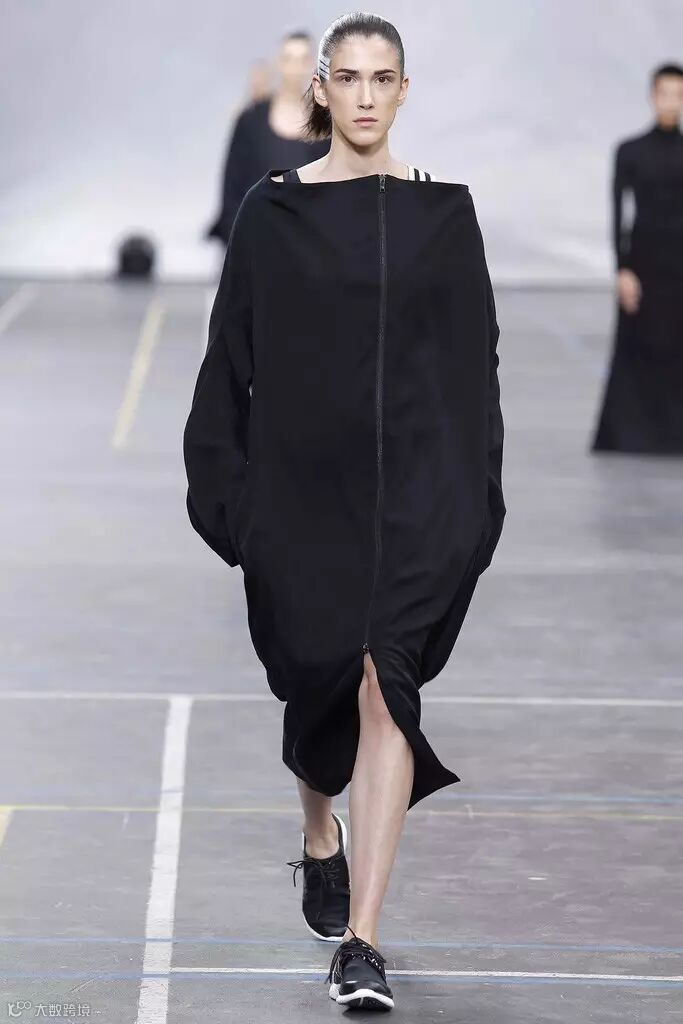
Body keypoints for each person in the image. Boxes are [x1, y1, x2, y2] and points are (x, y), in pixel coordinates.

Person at [183, 11, 505, 1012]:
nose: (365, 95)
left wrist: (475, 496)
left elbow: (475, 364)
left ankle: (361, 941)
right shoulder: (273, 211)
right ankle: (318, 833)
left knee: (382, 688)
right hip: (300, 498)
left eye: (382, 78)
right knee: (317, 679)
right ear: (320, 89)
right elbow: (229, 357)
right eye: (349, 77)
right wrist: (232, 499)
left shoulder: (443, 215)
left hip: (414, 499)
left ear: (403, 90)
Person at [591, 62, 683, 454]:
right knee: (636, 347)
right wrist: (622, 269)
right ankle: (632, 434)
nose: (671, 101)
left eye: (678, 94)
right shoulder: (631, 151)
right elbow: (620, 213)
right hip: (644, 262)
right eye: (665, 93)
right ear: (652, 96)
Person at [205, 30, 330, 245]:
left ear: (311, 64)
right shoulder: (251, 120)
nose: (295, 68)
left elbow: (331, 192)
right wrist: (237, 240)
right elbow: (232, 184)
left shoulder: (325, 125)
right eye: (288, 59)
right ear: (279, 63)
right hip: (254, 239)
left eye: (302, 59)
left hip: (308, 244)